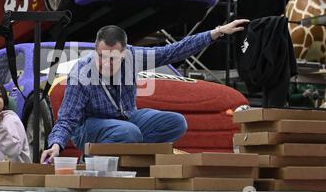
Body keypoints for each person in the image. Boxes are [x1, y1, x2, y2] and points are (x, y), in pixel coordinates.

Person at [41, 20, 248, 163]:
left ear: (125, 53)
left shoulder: (134, 56)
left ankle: (135, 158)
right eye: (102, 57)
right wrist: (56, 144)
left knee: (177, 123)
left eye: (113, 58)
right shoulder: (82, 74)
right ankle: (91, 159)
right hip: (89, 127)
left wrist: (217, 32)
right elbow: (67, 119)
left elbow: (173, 51)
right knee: (128, 132)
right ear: (96, 50)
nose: (106, 63)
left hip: (127, 119)